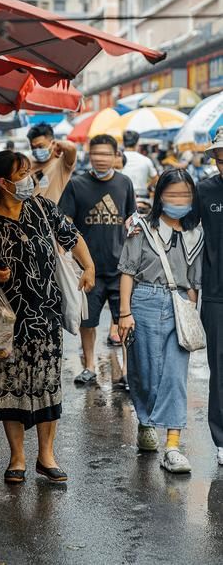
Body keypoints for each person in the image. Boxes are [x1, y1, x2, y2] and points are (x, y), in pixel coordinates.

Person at [0, 150, 94, 484]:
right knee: (12, 388)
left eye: (30, 172)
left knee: (48, 384)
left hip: (45, 315)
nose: (29, 179)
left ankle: (46, 456)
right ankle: (17, 458)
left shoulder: (42, 208)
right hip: (6, 322)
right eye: (22, 174)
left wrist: (88, 265)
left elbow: (71, 235)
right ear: (3, 183)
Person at [118, 169, 203, 473]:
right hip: (144, 301)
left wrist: (190, 314)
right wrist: (124, 313)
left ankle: (173, 446)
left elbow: (194, 282)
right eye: (172, 194)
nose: (178, 200)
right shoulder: (140, 228)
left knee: (175, 376)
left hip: (180, 305)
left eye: (184, 194)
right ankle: (144, 422)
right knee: (144, 371)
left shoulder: (196, 233)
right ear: (159, 196)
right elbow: (127, 271)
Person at [59, 134, 136, 386]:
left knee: (124, 320)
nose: (101, 159)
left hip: (120, 268)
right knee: (87, 321)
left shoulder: (124, 183)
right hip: (87, 269)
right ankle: (89, 366)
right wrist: (66, 257)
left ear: (116, 156)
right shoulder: (77, 184)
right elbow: (65, 223)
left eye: (106, 154)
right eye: (96, 154)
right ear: (88, 155)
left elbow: (131, 218)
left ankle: (125, 372)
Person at [198, 128, 223, 466]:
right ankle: (221, 437)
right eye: (219, 159)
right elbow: (182, 224)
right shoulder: (205, 190)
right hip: (217, 293)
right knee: (220, 368)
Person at [28, 122, 77, 203]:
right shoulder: (29, 163)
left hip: (53, 214)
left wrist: (58, 144)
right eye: (33, 148)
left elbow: (71, 147)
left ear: (53, 143)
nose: (36, 150)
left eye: (40, 146)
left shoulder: (62, 163)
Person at [121, 131, 158, 197]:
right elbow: (155, 178)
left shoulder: (117, 160)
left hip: (122, 195)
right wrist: (147, 186)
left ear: (123, 143)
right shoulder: (146, 160)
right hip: (141, 195)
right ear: (137, 143)